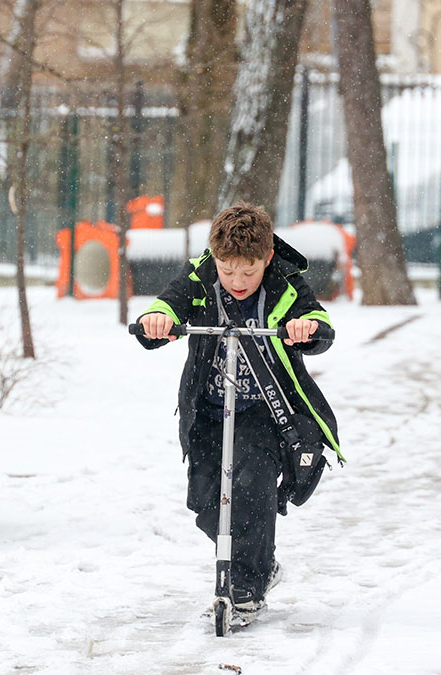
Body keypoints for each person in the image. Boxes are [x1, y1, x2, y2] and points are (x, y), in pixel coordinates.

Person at [134, 202, 342, 621]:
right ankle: (261, 566)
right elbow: (169, 304)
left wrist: (307, 329)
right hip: (209, 410)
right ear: (215, 257)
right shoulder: (202, 275)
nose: (237, 281)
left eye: (248, 272)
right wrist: (158, 318)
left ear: (267, 257)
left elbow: (317, 321)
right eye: (228, 271)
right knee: (207, 501)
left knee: (251, 492)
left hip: (263, 412)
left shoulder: (285, 282)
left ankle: (244, 587)